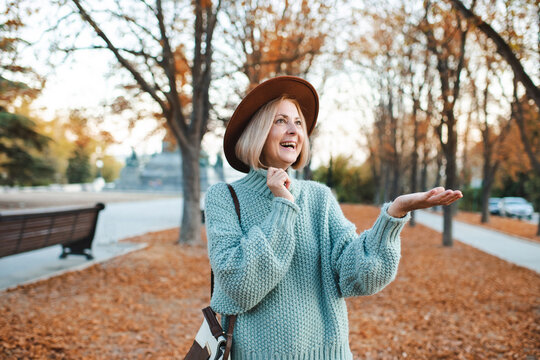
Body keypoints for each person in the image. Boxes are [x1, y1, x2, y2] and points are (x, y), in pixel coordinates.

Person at [204, 76, 462, 359]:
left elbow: (359, 277)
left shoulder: (319, 198)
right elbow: (239, 285)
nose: (293, 130)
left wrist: (394, 213)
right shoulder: (224, 197)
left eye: (298, 123)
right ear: (257, 131)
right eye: (280, 121)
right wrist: (282, 206)